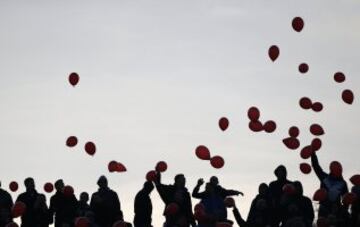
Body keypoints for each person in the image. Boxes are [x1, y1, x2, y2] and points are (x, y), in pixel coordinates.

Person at [310, 153, 348, 218]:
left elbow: (346, 200)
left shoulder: (343, 183)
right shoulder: (325, 178)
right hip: (324, 209)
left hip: (336, 210)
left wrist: (342, 211)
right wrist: (313, 153)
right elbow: (316, 166)